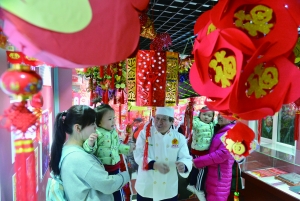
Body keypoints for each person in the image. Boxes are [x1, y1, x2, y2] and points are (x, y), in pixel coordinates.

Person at [49, 105, 130, 201]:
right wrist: (128, 174)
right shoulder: (78, 158)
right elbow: (107, 184)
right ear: (78, 128)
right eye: (92, 124)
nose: (96, 127)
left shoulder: (67, 148)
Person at [134, 107, 193, 201]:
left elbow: (186, 157)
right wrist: (154, 165)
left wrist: (184, 165)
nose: (159, 122)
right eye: (157, 118)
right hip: (147, 186)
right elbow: (138, 154)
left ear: (172, 121)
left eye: (164, 119)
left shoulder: (179, 138)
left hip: (168, 189)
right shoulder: (145, 134)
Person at [83, 104, 132, 201]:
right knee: (105, 192)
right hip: (103, 169)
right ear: (99, 123)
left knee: (117, 190)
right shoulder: (97, 134)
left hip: (115, 167)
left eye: (114, 118)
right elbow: (89, 150)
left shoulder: (113, 132)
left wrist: (127, 149)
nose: (113, 121)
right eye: (110, 119)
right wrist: (90, 143)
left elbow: (117, 147)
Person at [193, 113, 236, 201]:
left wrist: (197, 162)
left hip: (220, 178)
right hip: (213, 175)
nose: (220, 116)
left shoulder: (231, 133)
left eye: (224, 115)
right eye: (219, 114)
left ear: (232, 118)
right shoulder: (219, 129)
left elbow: (221, 155)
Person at [187, 106, 215, 201]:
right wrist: (189, 113)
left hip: (205, 151)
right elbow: (189, 123)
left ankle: (191, 184)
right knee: (202, 170)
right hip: (198, 151)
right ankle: (199, 189)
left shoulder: (212, 124)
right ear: (199, 115)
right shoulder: (197, 123)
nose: (206, 117)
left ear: (212, 117)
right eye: (204, 114)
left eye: (209, 115)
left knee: (197, 168)